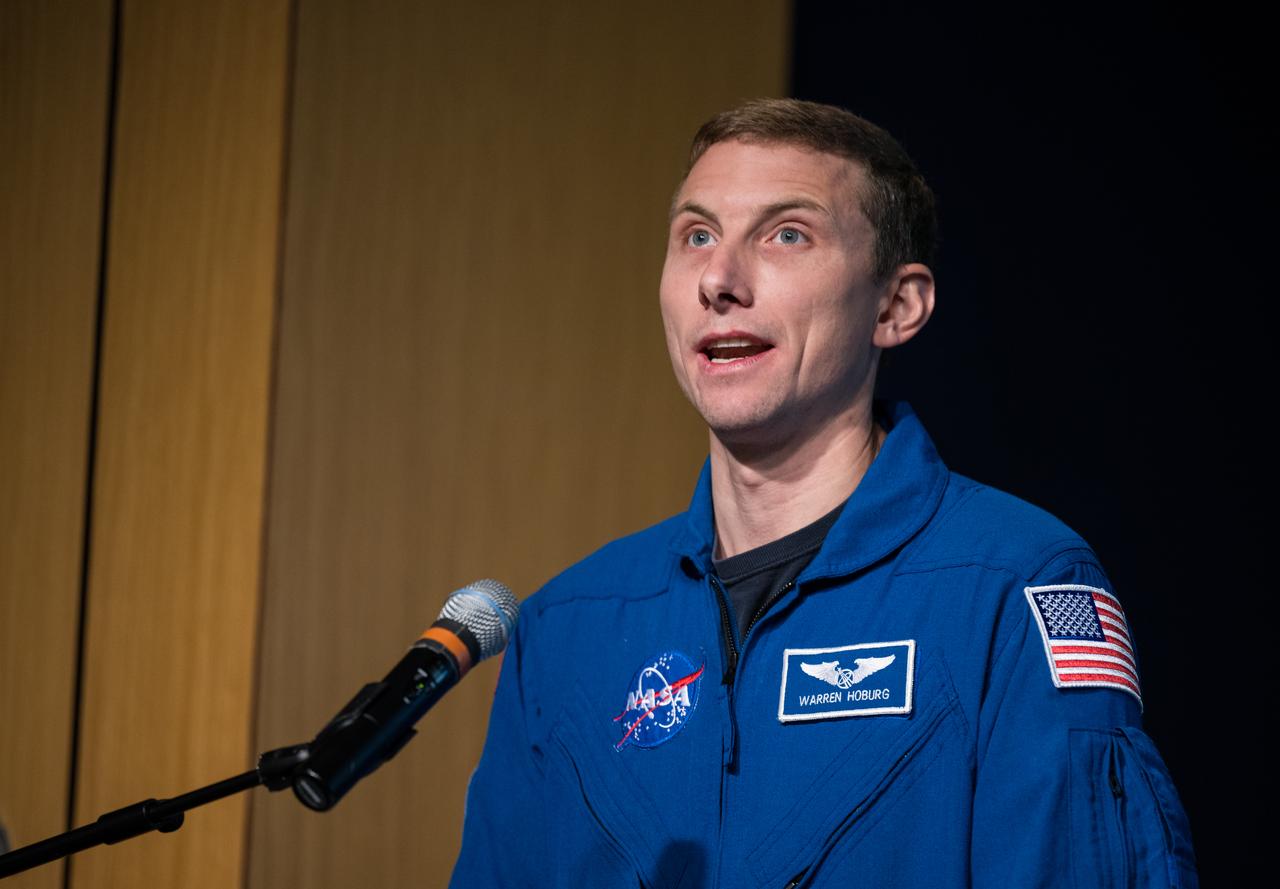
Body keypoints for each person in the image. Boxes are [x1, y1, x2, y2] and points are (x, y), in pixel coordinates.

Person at [450, 98, 1197, 888]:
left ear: (896, 305)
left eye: (787, 234)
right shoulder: (567, 626)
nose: (719, 279)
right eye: (697, 235)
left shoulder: (1013, 587)